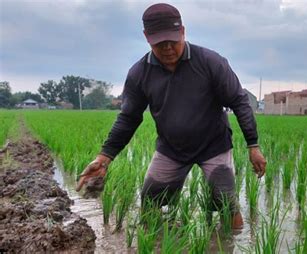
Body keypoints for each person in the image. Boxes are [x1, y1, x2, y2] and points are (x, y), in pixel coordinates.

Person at [76, 3, 266, 229]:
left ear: (183, 32)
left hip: (214, 146)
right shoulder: (140, 73)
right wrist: (104, 157)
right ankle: (156, 242)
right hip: (171, 149)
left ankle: (231, 242)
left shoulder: (210, 62)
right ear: (147, 37)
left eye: (172, 41)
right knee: (151, 199)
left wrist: (253, 145)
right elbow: (129, 118)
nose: (167, 48)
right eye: (159, 43)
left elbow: (239, 101)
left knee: (225, 201)